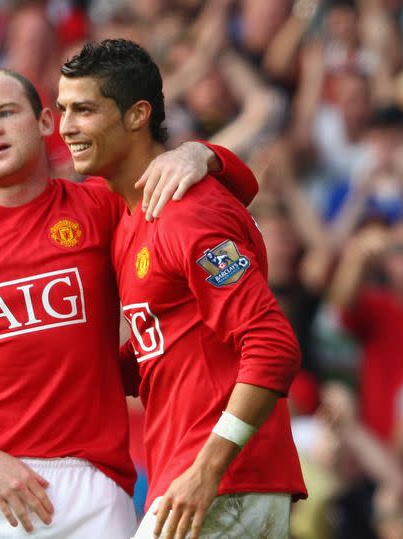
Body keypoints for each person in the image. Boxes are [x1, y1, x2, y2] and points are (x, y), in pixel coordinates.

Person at [0, 67, 255, 537]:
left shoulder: (101, 206)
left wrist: (203, 155)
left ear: (44, 123)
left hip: (90, 484)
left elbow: (230, 198)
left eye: (5, 112)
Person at [57, 39, 306, 539]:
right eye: (62, 110)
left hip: (220, 483)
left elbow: (273, 345)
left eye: (83, 110)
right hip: (201, 483)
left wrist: (209, 469)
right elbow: (168, 347)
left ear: (136, 115)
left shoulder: (187, 213)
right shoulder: (133, 214)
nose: (66, 127)